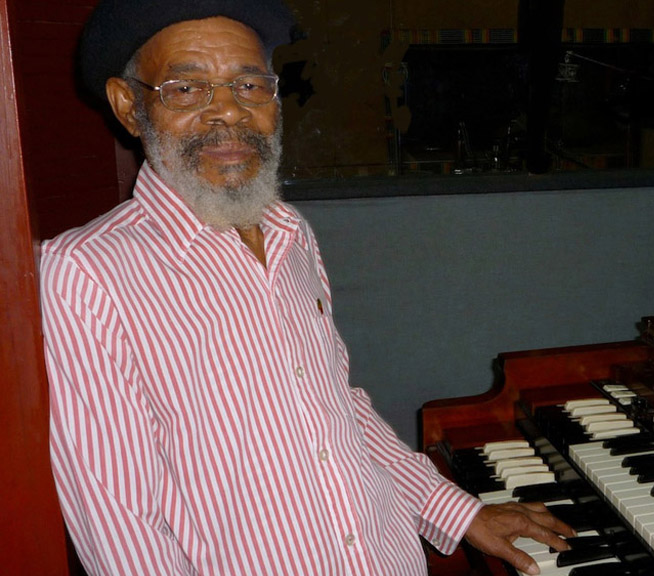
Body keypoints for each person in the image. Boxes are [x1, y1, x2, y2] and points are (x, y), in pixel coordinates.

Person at [40, 1, 573, 574]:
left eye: (249, 84)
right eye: (187, 89)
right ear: (129, 106)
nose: (229, 110)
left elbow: (334, 407)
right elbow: (121, 524)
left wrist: (460, 513)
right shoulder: (85, 274)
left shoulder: (290, 232)